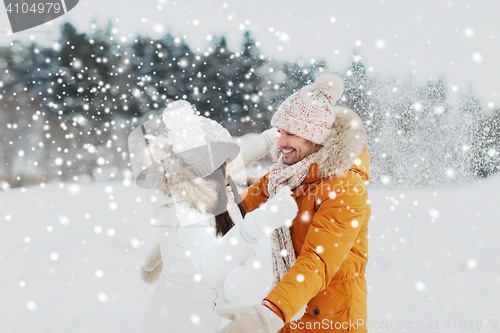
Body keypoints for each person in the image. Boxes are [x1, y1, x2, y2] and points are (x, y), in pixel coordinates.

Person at [217, 74, 372, 333]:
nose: (280, 142)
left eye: (290, 134)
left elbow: (317, 262)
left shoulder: (346, 188)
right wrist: (196, 219)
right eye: (280, 132)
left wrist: (269, 314)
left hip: (334, 321)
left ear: (315, 137)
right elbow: (240, 211)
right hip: (291, 312)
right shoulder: (285, 175)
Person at [127, 100, 298, 333]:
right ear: (210, 169)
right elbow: (211, 266)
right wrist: (260, 222)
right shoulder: (189, 210)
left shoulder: (187, 183)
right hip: (182, 325)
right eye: (225, 163)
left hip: (175, 315)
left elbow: (239, 158)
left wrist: (272, 137)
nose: (232, 168)